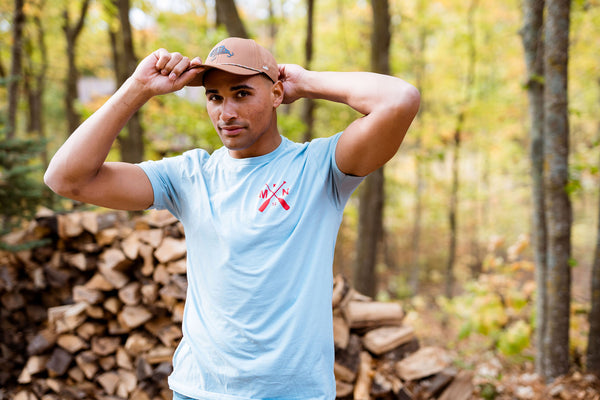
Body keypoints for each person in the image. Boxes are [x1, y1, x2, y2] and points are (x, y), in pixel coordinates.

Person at [44, 37, 420, 400]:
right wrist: (138, 88)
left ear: (276, 95)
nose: (226, 113)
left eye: (242, 94)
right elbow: (65, 178)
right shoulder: (189, 175)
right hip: (198, 391)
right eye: (215, 97)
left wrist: (303, 82)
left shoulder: (319, 168)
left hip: (293, 394)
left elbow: (399, 99)